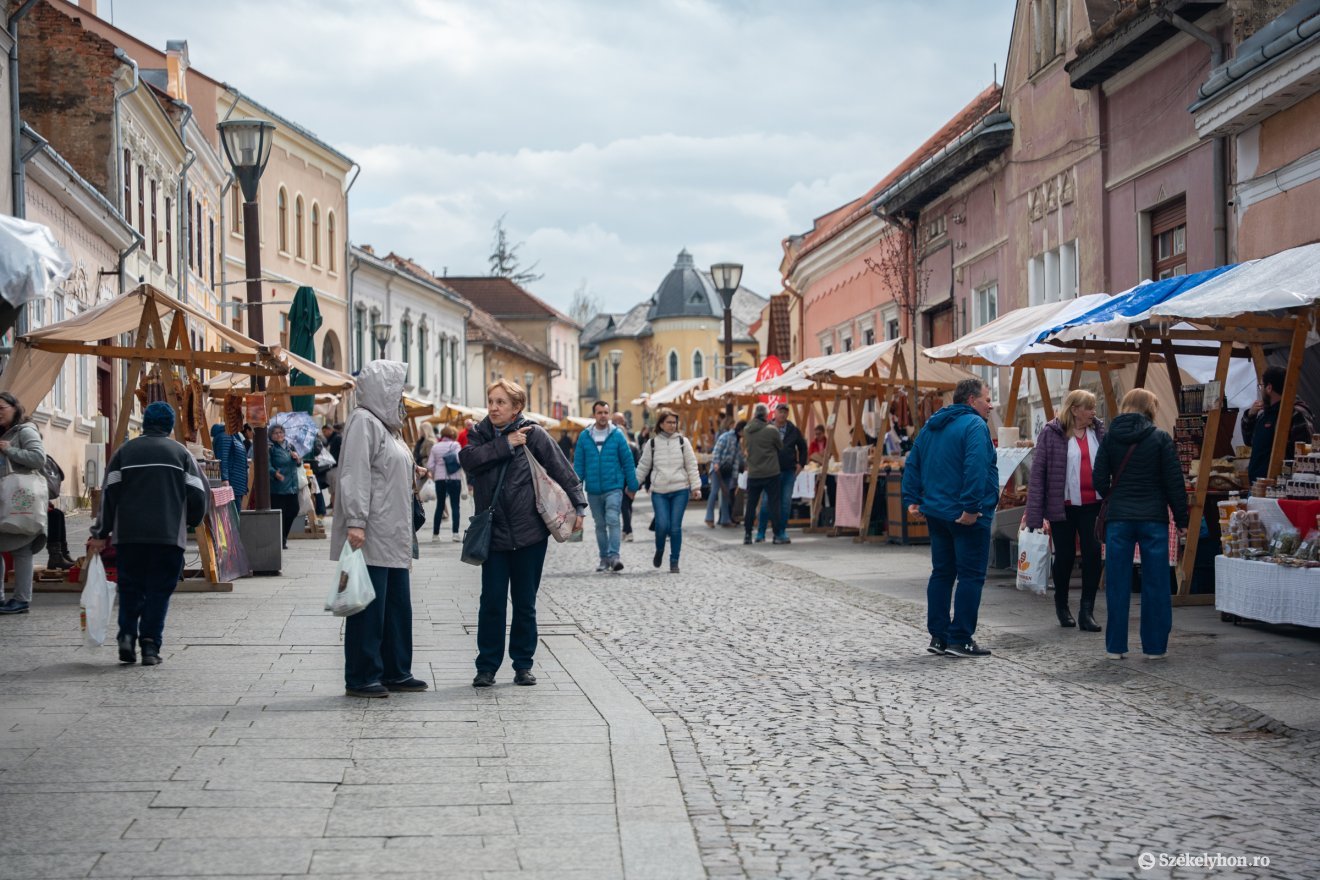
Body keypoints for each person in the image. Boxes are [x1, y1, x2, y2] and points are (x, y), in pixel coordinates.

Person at [461, 379, 586, 687]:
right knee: (491, 602)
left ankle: (523, 664)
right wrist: (506, 444)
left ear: (516, 407)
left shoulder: (534, 434)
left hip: (529, 532)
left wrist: (579, 506)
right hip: (493, 534)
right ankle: (486, 667)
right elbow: (469, 461)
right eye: (491, 401)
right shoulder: (479, 434)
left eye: (501, 402)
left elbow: (561, 468)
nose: (493, 407)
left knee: (525, 602)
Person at [330, 360, 430, 698]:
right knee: (368, 606)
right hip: (372, 531)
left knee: (397, 607)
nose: (401, 396)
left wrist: (413, 471)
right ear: (383, 388)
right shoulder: (363, 422)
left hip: (394, 532)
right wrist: (356, 521)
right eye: (398, 389)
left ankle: (396, 670)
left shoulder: (390, 428)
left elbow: (386, 467)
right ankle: (361, 675)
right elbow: (355, 474)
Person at [86, 401, 207, 664]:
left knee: (130, 588)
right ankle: (150, 646)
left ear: (144, 423)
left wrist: (100, 532)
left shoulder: (124, 453)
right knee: (159, 591)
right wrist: (191, 521)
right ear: (170, 426)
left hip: (129, 537)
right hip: (168, 536)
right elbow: (199, 494)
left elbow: (109, 495)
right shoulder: (182, 454)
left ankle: (127, 636)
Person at [902, 378, 998, 658]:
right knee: (971, 575)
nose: (990, 405)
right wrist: (971, 507)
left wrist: (912, 499)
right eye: (987, 399)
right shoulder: (975, 425)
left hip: (937, 512)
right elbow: (975, 467)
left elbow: (913, 462)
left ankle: (939, 636)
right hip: (964, 514)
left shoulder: (933, 425)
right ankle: (961, 638)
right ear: (971, 400)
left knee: (942, 573)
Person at [1093, 388, 1189, 661]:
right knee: (1156, 584)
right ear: (1150, 408)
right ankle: (1155, 647)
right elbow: (1174, 483)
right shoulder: (1160, 438)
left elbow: (1098, 478)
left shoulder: (1110, 437)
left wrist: (1115, 495)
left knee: (1117, 583)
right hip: (1153, 518)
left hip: (1119, 519)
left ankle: (1115, 647)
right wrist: (1181, 520)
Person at [1025, 389, 1106, 632]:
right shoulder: (1052, 433)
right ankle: (1062, 605)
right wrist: (1033, 514)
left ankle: (1087, 611)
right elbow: (1038, 474)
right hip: (1062, 506)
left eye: (1094, 407)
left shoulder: (1098, 431)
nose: (1093, 412)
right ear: (1074, 410)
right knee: (1065, 557)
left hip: (1093, 504)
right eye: (1089, 407)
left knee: (1093, 554)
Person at [635, 407, 701, 573]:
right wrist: (634, 485)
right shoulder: (652, 444)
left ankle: (674, 561)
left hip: (680, 489)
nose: (672, 425)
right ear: (661, 424)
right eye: (669, 422)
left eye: (674, 422)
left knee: (675, 527)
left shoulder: (683, 442)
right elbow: (643, 466)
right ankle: (659, 550)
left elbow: (691, 465)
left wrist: (696, 487)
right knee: (662, 525)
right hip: (659, 492)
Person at [574, 401, 638, 572]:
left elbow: (628, 461)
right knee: (600, 524)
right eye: (599, 412)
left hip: (614, 487)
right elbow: (579, 465)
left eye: (605, 412)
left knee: (613, 520)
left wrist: (632, 486)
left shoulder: (617, 435)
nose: (603, 415)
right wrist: (575, 490)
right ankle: (604, 558)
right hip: (593, 489)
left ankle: (615, 557)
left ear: (609, 415)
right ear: (594, 415)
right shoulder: (585, 436)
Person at [0, 392, 48, 615]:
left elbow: (38, 458)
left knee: (21, 547)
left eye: (1, 408)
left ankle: (21, 599)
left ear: (15, 408)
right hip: (4, 500)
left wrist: (9, 449)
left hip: (19, 498)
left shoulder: (25, 431)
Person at [1242, 365, 1315, 484]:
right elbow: (1249, 440)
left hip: (1281, 487)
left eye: (1261, 386)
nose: (1260, 390)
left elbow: (1304, 453)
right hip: (1258, 487)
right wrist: (1250, 416)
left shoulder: (1295, 414)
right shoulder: (1264, 415)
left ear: (1269, 388)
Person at [756, 403, 807, 544]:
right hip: (770, 472)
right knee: (766, 503)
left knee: (785, 503)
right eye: (780, 412)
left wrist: (801, 464)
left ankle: (780, 532)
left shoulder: (793, 430)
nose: (783, 414)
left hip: (788, 471)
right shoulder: (766, 428)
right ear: (775, 413)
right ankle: (761, 532)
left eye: (785, 412)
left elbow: (803, 447)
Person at [741, 404, 784, 545]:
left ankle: (748, 534)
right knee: (774, 504)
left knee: (751, 504)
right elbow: (780, 447)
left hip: (754, 473)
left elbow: (745, 448)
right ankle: (777, 535)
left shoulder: (747, 430)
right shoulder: (772, 430)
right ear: (766, 415)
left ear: (754, 414)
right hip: (771, 472)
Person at [706, 419, 746, 528]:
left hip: (728, 470)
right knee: (714, 492)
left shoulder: (738, 441)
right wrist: (716, 463)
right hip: (718, 469)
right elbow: (717, 450)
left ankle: (725, 519)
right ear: (741, 430)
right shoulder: (726, 436)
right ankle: (709, 518)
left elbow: (737, 459)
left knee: (726, 494)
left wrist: (736, 475)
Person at [427, 425, 464, 542]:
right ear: (453, 435)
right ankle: (455, 534)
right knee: (455, 506)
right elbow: (459, 460)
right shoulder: (456, 445)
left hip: (440, 479)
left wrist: (437, 471)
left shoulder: (435, 447)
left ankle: (435, 535)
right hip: (454, 478)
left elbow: (430, 465)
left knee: (440, 505)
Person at [268, 424, 302, 550]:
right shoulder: (270, 448)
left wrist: (297, 459)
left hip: (292, 485)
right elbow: (266, 464)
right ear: (271, 435)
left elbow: (298, 464)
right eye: (275, 433)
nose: (279, 435)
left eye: (281, 432)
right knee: (280, 514)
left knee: (294, 510)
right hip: (278, 487)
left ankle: (284, 536)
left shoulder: (290, 446)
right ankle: (281, 539)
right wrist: (274, 473)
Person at [210, 423, 249, 517]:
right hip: (232, 484)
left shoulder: (235, 436)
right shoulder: (225, 436)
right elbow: (222, 458)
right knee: (232, 518)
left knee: (235, 517)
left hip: (237, 485)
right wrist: (225, 479)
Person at [612, 412, 639, 542]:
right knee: (627, 505)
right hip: (631, 479)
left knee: (624, 505)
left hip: (621, 479)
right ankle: (626, 530)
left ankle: (629, 531)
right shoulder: (633, 446)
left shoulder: (616, 448)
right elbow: (638, 465)